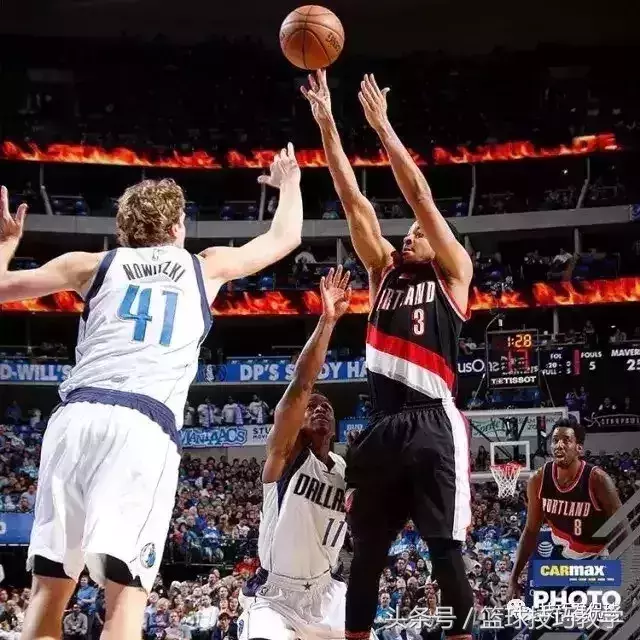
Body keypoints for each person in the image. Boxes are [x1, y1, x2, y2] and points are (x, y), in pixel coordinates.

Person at [0, 144, 303, 640]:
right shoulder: (204, 266)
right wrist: (288, 182)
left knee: (47, 593)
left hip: (74, 418)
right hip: (141, 425)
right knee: (125, 600)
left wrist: (8, 241)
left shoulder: (91, 263)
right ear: (178, 227)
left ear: (125, 230)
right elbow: (285, 235)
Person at [302, 70, 474, 640]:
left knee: (445, 553)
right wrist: (327, 121)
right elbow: (353, 198)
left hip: (432, 420)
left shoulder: (453, 273)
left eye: (416, 235)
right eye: (403, 235)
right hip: (380, 428)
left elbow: (420, 196)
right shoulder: (382, 273)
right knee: (366, 555)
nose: (407, 238)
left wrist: (382, 126)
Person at [238, 267, 354, 640]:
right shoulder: (286, 455)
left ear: (335, 428)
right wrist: (328, 321)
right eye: (312, 406)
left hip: (328, 593)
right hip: (276, 596)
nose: (320, 408)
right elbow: (303, 383)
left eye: (327, 408)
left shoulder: (345, 469)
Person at [508, 419, 623, 597]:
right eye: (555, 440)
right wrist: (513, 578)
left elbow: (622, 532)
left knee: (590, 621)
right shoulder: (538, 480)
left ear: (579, 448)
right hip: (559, 556)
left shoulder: (598, 480)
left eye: (566, 440)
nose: (559, 445)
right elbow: (531, 531)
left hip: (596, 560)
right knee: (544, 619)